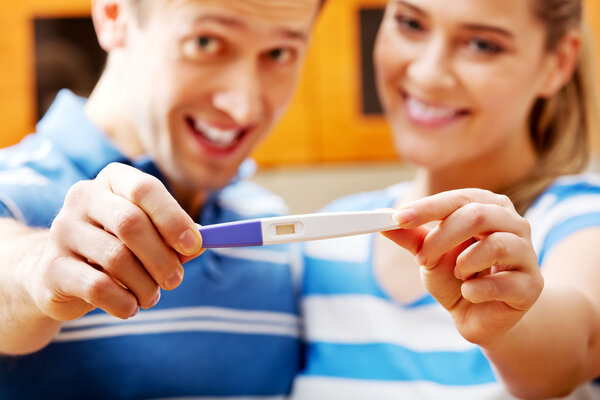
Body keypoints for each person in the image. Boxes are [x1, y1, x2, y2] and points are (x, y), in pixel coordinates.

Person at [0, 0, 323, 398]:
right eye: (205, 42)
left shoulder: (272, 224)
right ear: (114, 14)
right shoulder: (9, 191)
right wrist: (40, 269)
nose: (242, 106)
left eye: (278, 53)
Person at [292, 0, 600, 398]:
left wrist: (510, 325)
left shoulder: (580, 219)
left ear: (557, 63)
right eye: (409, 23)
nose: (428, 73)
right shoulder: (324, 239)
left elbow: (576, 349)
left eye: (482, 45)